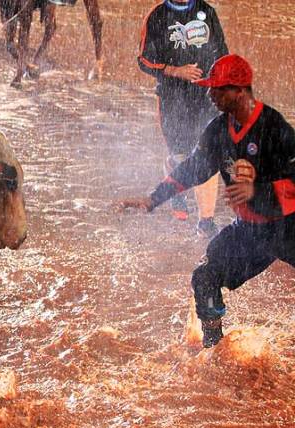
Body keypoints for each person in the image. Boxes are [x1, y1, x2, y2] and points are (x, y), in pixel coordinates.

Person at [121, 54, 295, 351]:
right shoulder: (217, 129)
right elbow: (194, 168)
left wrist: (259, 192)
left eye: (217, 89)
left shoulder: (274, 127)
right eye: (209, 88)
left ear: (240, 91)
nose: (209, 94)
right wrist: (153, 199)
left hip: (287, 226)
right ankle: (214, 350)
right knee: (204, 278)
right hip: (249, 230)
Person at [138, 0, 228, 237]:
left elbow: (223, 53)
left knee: (207, 156)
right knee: (180, 155)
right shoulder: (157, 16)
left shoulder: (207, 12)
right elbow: (144, 60)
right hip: (173, 100)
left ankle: (205, 221)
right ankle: (176, 186)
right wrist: (174, 71)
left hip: (206, 99)